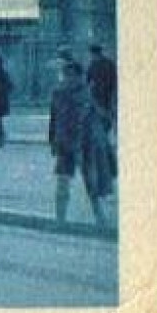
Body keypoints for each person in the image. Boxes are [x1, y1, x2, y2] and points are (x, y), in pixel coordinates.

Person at [48, 58, 113, 226]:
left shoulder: (88, 95)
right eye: (65, 75)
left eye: (71, 75)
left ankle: (100, 217)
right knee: (62, 182)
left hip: (84, 146)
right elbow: (53, 119)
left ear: (80, 76)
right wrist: (52, 140)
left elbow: (102, 119)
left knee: (90, 183)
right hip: (64, 144)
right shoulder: (57, 93)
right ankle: (59, 218)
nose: (67, 78)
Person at [86, 43, 117, 128]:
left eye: (93, 54)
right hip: (97, 94)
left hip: (108, 93)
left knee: (107, 114)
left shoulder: (108, 64)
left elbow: (114, 79)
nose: (92, 56)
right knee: (99, 115)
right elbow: (88, 80)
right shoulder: (92, 65)